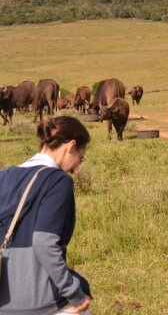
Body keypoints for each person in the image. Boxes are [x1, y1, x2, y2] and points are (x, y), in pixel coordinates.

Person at [0, 116, 92, 314]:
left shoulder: (4, 176)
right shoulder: (59, 181)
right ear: (71, 146)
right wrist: (74, 293)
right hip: (39, 301)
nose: (76, 168)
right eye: (80, 158)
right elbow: (44, 243)